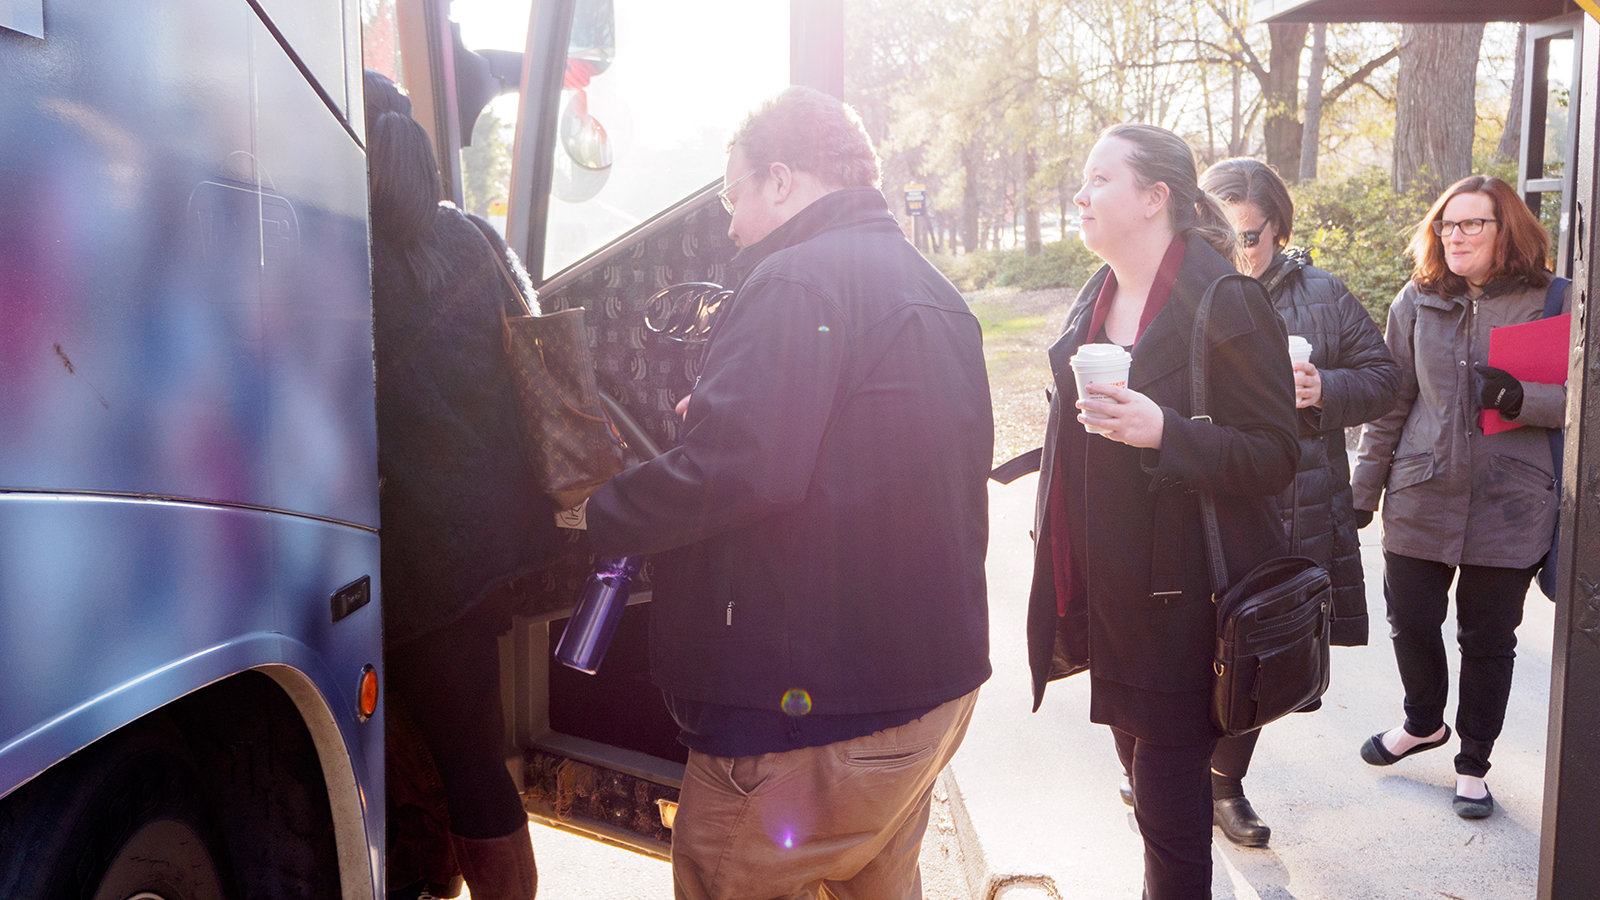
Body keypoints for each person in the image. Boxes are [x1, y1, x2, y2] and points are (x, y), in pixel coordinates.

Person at [584, 86, 993, 900]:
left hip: (815, 720)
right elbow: (874, 453)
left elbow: (744, 471)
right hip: (925, 698)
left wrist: (598, 510)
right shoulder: (934, 290)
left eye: (733, 195)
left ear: (780, 181)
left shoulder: (793, 280)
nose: (730, 225)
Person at [1026, 124, 1297, 899]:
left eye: (1100, 179)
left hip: (1184, 611)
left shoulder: (1227, 300)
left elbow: (1276, 453)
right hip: (1106, 603)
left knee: (1173, 839)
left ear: (1154, 198)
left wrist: (1166, 433)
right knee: (1150, 803)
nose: (1081, 195)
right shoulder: (1095, 296)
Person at [366, 71, 557, 900]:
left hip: (419, 558)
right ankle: (435, 874)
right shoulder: (470, 235)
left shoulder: (347, 252)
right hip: (492, 542)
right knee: (451, 737)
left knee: (465, 755)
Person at [1191, 158, 1400, 847]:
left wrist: (1325, 390)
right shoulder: (1187, 289)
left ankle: (1224, 788)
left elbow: (1385, 380)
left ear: (1277, 228)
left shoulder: (1324, 293)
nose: (1237, 251)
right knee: (1187, 648)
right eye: (1223, 235)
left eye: (1248, 236)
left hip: (1294, 504)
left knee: (1260, 652)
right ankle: (1166, 765)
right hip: (1202, 503)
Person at [1351, 174, 1568, 820]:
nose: (1457, 235)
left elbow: (1586, 400)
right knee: (1410, 617)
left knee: (1488, 637)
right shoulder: (1417, 300)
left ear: (1508, 231)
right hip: (1421, 492)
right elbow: (1390, 403)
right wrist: (1364, 489)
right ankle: (1423, 722)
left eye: (1474, 223)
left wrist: (1523, 400)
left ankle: (1473, 761)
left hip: (1511, 502)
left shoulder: (1556, 301)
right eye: (1448, 224)